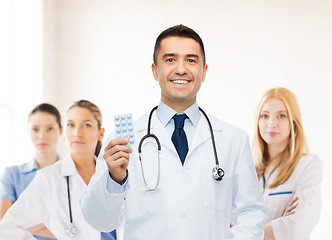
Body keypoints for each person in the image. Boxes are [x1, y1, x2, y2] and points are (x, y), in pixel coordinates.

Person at [81, 24, 266, 239]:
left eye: (191, 60)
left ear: (204, 71)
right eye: (170, 60)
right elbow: (98, 221)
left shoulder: (233, 139)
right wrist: (114, 179)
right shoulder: (122, 142)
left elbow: (251, 213)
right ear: (154, 70)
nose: (181, 69)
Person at [0, 100, 119, 240]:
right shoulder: (48, 177)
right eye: (71, 125)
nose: (77, 132)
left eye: (86, 125)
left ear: (101, 132)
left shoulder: (113, 175)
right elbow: (8, 227)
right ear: (64, 132)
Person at [252, 87, 323, 240]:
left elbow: (295, 228)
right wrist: (277, 225)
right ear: (257, 121)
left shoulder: (307, 166)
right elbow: (223, 225)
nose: (272, 124)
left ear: (293, 122)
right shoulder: (246, 170)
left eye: (281, 116)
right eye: (264, 116)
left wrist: (247, 230)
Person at [0, 103, 62, 240]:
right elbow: (5, 225)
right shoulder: (12, 175)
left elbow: (83, 228)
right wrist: (63, 229)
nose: (42, 136)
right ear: (27, 131)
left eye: (50, 128)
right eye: (35, 129)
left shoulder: (73, 173)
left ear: (61, 131)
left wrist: (25, 225)